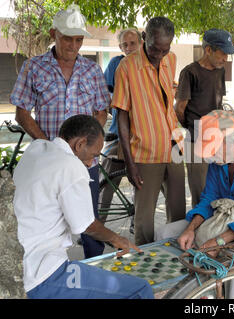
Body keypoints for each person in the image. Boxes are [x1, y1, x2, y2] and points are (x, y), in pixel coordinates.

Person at [13, 115, 154, 299]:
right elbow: (86, 226)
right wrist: (118, 239)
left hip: (20, 260)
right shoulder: (71, 166)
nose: (90, 163)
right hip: (42, 275)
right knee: (140, 289)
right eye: (94, 155)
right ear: (80, 144)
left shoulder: (37, 148)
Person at [10, 4, 110, 259]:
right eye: (68, 38)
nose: (74, 45)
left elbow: (101, 111)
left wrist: (87, 143)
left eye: (79, 39)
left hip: (85, 162)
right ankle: (52, 270)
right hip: (48, 162)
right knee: (49, 218)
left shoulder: (92, 70)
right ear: (54, 34)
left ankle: (94, 267)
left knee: (89, 220)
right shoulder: (34, 67)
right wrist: (52, 148)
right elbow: (22, 113)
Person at [155, 110, 234, 258]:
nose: (208, 157)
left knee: (233, 256)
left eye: (212, 150)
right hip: (223, 219)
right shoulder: (219, 160)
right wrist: (190, 229)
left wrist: (219, 241)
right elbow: (209, 199)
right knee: (163, 233)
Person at [112, 17, 186, 245]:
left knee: (179, 212)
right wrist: (129, 162)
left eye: (165, 49)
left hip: (174, 148)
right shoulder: (126, 67)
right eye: (155, 48)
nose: (159, 54)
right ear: (144, 38)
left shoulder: (170, 59)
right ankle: (144, 265)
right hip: (144, 154)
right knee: (144, 218)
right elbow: (122, 114)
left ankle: (176, 258)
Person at [174, 28, 234, 208]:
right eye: (223, 53)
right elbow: (180, 108)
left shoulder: (220, 71)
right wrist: (193, 129)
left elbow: (218, 104)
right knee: (200, 192)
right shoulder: (189, 72)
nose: (225, 58)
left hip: (217, 139)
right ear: (208, 50)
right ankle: (197, 232)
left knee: (219, 187)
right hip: (196, 141)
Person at [100, 28, 142, 232]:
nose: (129, 48)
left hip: (142, 136)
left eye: (132, 43)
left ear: (141, 43)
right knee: (108, 182)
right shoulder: (116, 64)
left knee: (140, 182)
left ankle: (137, 222)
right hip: (117, 132)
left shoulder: (148, 64)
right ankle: (98, 226)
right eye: (125, 45)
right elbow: (106, 93)